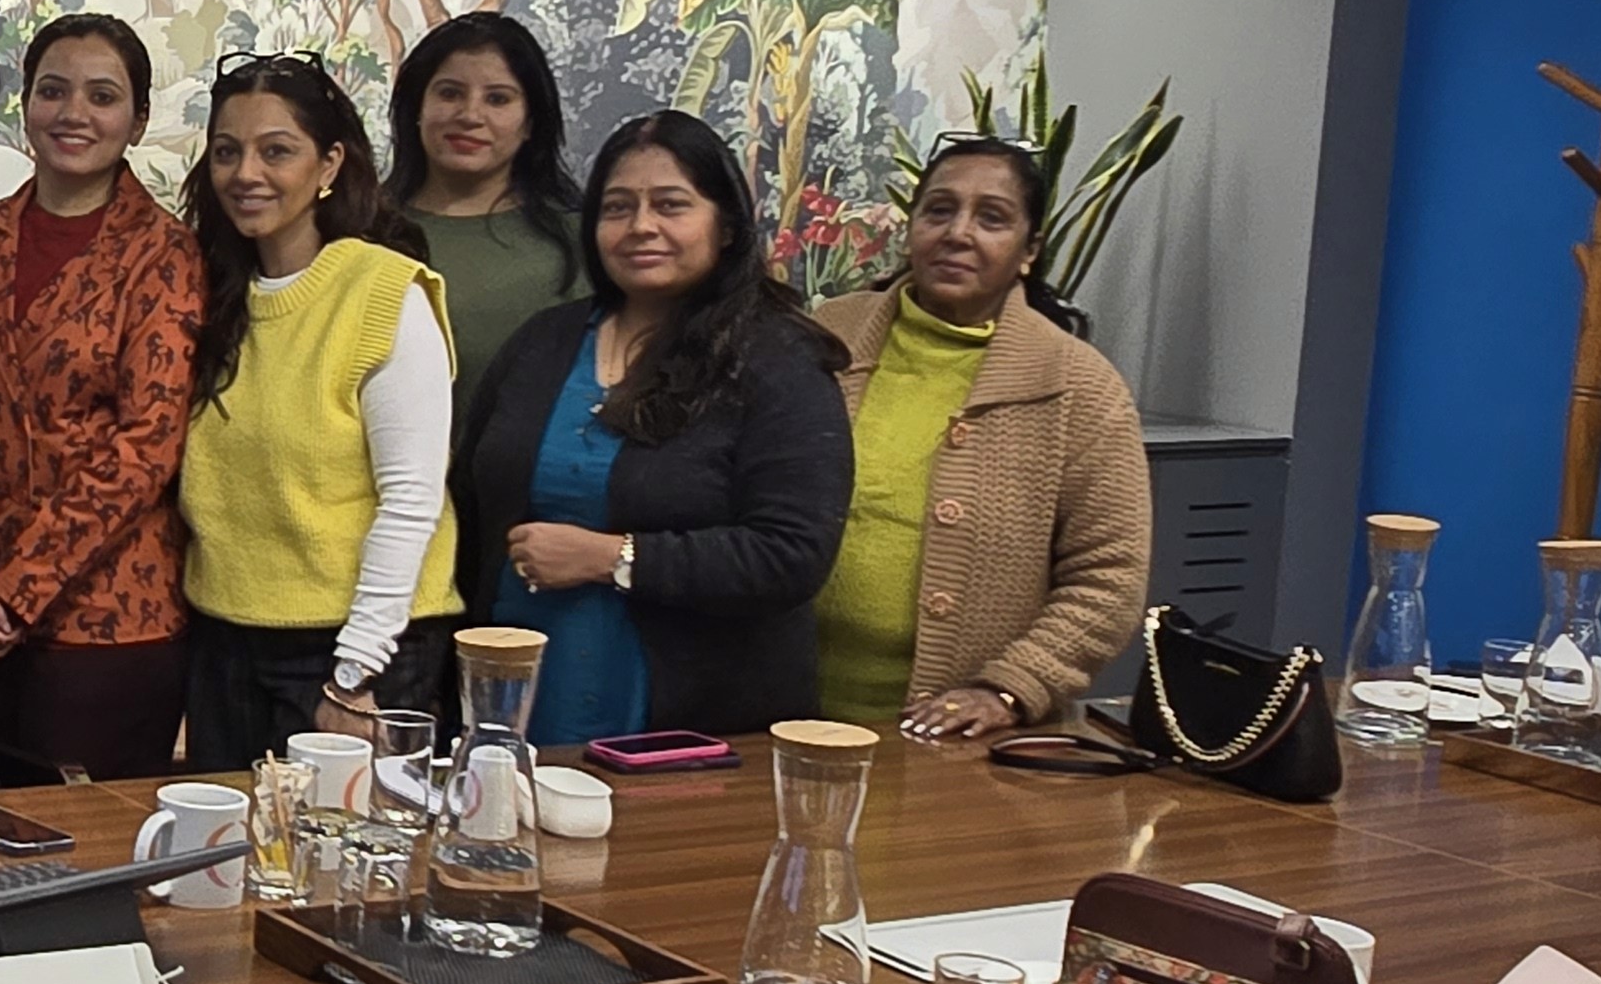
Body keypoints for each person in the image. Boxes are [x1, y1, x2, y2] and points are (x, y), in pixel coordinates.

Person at [456, 110, 855, 743]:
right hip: (513, 699)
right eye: (617, 208)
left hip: (688, 724)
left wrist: (614, 558)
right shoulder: (543, 343)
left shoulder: (780, 361)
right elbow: (469, 506)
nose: (641, 226)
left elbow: (792, 554)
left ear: (726, 224)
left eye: (671, 205)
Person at [0, 16, 202, 779]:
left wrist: (17, 588)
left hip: (108, 620)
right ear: (26, 103)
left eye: (102, 96)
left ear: (137, 121)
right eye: (54, 90)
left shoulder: (165, 255)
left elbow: (147, 444)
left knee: (87, 837)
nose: (74, 113)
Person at [174, 54, 462, 771]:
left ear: (329, 163)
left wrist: (354, 673)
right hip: (225, 638)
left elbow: (412, 500)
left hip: (355, 648)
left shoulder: (383, 290)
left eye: (277, 151)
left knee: (344, 842)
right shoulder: (209, 293)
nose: (247, 173)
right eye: (227, 152)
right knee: (230, 839)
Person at [810, 137, 1152, 737]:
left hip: (957, 744)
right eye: (939, 210)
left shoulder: (1079, 386)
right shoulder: (825, 335)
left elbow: (1109, 578)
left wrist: (1008, 688)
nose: (958, 233)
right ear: (912, 226)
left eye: (991, 218)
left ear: (1029, 250)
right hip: (782, 712)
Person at [386, 10, 584, 399]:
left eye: (497, 99)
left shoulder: (580, 242)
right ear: (417, 108)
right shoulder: (357, 228)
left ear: (530, 123)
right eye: (449, 93)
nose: (470, 115)